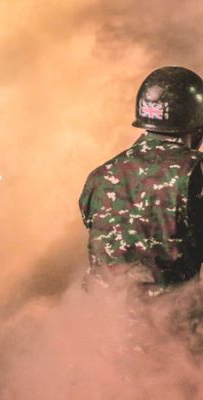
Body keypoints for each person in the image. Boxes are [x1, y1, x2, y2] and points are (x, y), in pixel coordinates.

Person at [79, 66, 203, 296]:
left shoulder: (99, 176)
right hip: (171, 324)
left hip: (102, 321)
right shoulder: (195, 172)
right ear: (197, 128)